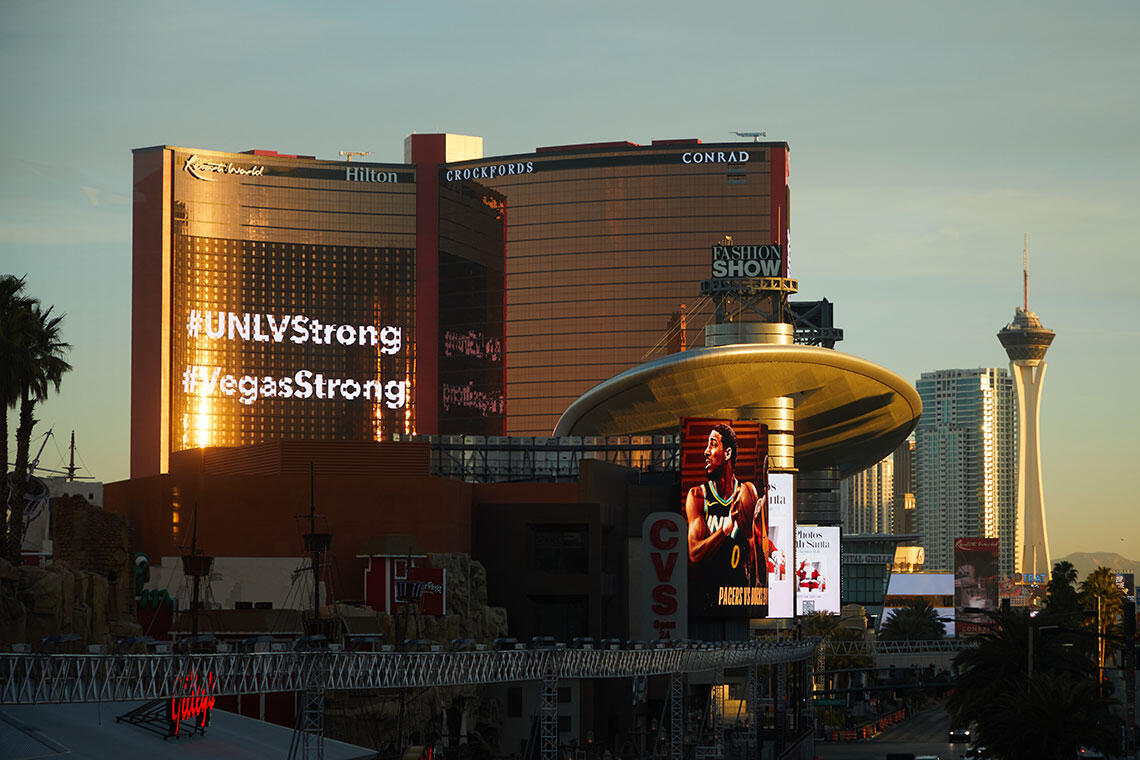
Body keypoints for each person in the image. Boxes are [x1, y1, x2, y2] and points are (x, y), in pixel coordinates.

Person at [685, 423, 774, 598]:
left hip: (738, 597)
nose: (706, 452)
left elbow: (756, 548)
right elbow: (694, 554)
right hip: (705, 598)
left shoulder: (746, 494)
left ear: (727, 453)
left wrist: (760, 588)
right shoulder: (698, 496)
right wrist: (724, 530)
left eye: (712, 444)